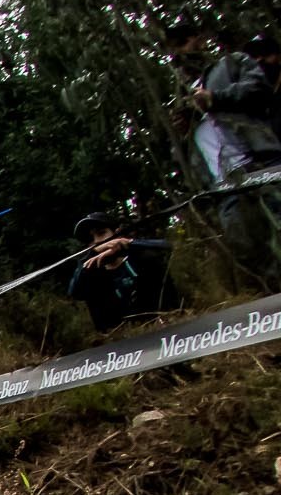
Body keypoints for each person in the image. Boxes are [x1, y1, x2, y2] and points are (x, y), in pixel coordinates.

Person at [174, 26, 281, 286]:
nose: (181, 51)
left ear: (199, 40)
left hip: (260, 164)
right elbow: (189, 153)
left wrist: (216, 98)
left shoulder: (232, 64)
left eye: (184, 41)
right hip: (225, 185)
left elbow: (258, 89)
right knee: (247, 248)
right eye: (174, 47)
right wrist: (183, 132)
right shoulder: (181, 99)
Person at [66, 212, 174, 332]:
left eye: (101, 233)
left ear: (117, 233)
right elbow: (75, 292)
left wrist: (128, 245)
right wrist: (92, 255)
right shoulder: (90, 275)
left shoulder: (143, 259)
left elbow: (168, 246)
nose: (96, 241)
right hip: (118, 340)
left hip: (161, 332)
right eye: (90, 239)